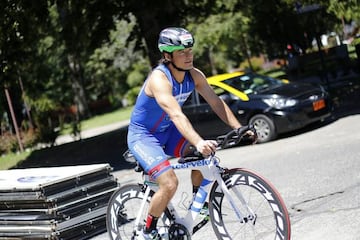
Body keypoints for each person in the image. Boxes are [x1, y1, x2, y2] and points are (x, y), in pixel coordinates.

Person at [127, 27, 257, 239]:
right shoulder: (159, 79)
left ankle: (198, 203)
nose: (188, 56)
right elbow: (177, 115)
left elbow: (215, 102)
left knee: (205, 157)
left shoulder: (194, 75)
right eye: (181, 52)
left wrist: (239, 128)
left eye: (190, 50)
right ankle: (147, 231)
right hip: (144, 136)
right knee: (169, 183)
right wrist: (197, 141)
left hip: (168, 132)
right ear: (168, 56)